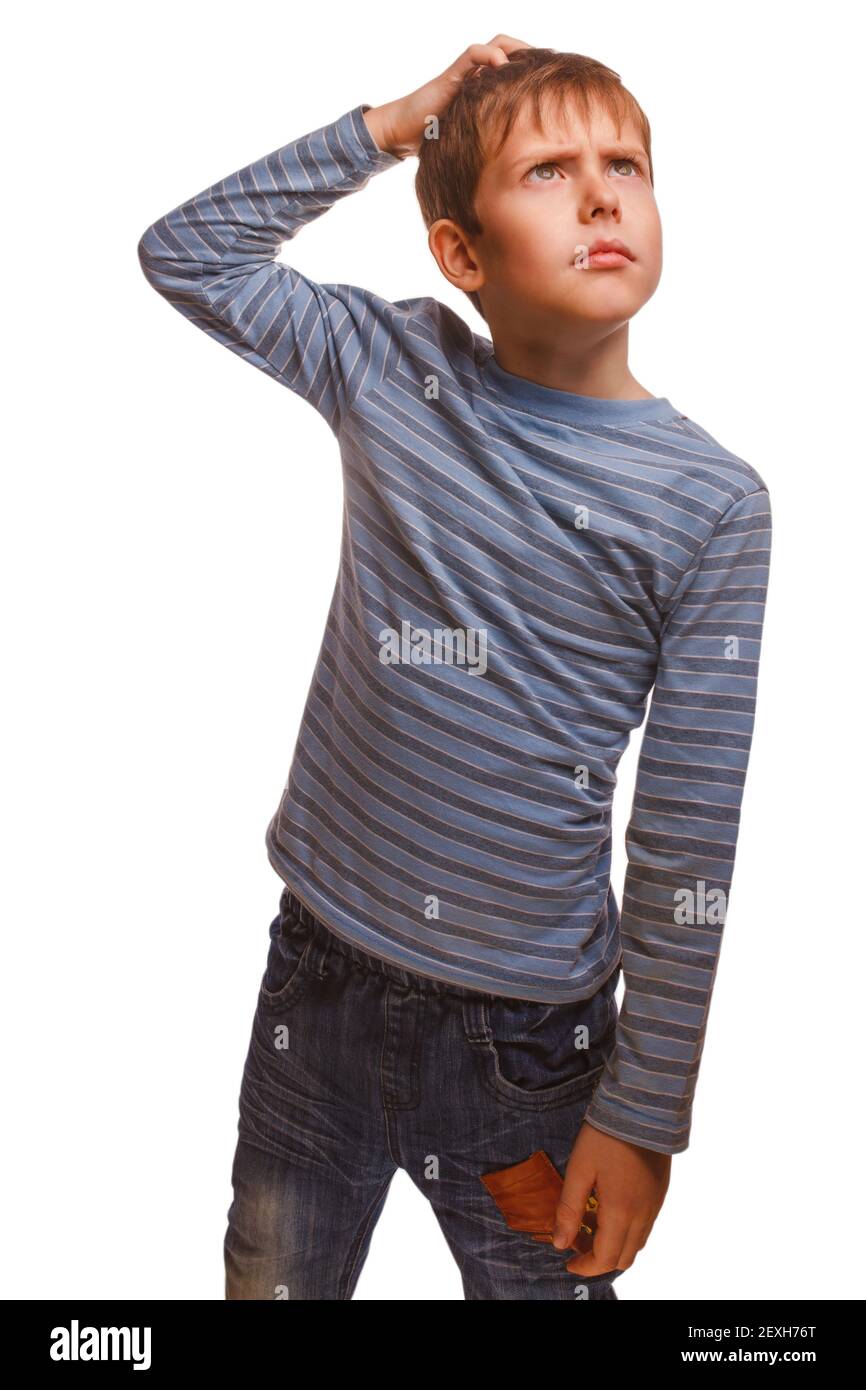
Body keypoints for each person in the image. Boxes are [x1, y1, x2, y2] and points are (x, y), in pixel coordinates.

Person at [138, 37, 772, 1300]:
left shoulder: (710, 504)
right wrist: (393, 124)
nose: (601, 196)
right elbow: (185, 253)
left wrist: (645, 1112)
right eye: (547, 169)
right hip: (314, 981)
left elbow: (687, 832)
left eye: (624, 166)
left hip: (522, 1050)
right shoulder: (389, 370)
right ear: (460, 256)